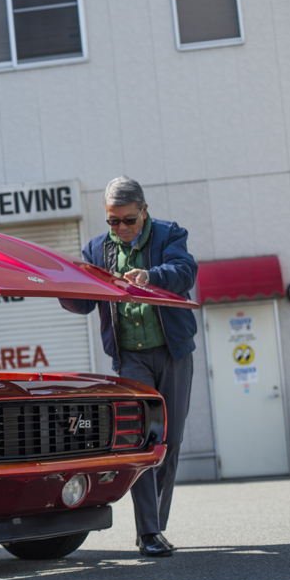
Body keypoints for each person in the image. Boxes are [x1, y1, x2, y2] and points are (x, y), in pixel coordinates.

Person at [59, 176, 197, 558]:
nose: (120, 228)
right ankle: (148, 532)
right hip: (131, 357)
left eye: (128, 220)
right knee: (144, 440)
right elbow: (83, 303)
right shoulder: (97, 249)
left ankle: (157, 526)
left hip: (173, 352)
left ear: (144, 212)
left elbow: (186, 273)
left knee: (171, 441)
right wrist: (61, 287)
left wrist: (151, 277)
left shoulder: (170, 235)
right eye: (113, 221)